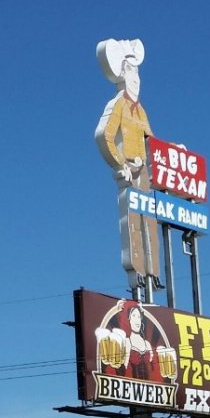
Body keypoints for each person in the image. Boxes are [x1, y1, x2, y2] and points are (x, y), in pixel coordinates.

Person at [94, 38, 160, 291]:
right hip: (128, 170)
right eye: (131, 70)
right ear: (121, 73)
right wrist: (119, 163)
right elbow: (104, 136)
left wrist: (174, 152)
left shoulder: (140, 110)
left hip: (144, 170)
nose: (136, 77)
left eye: (138, 72)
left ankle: (153, 273)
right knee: (132, 221)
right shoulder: (119, 104)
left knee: (149, 221)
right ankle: (138, 273)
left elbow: (151, 142)